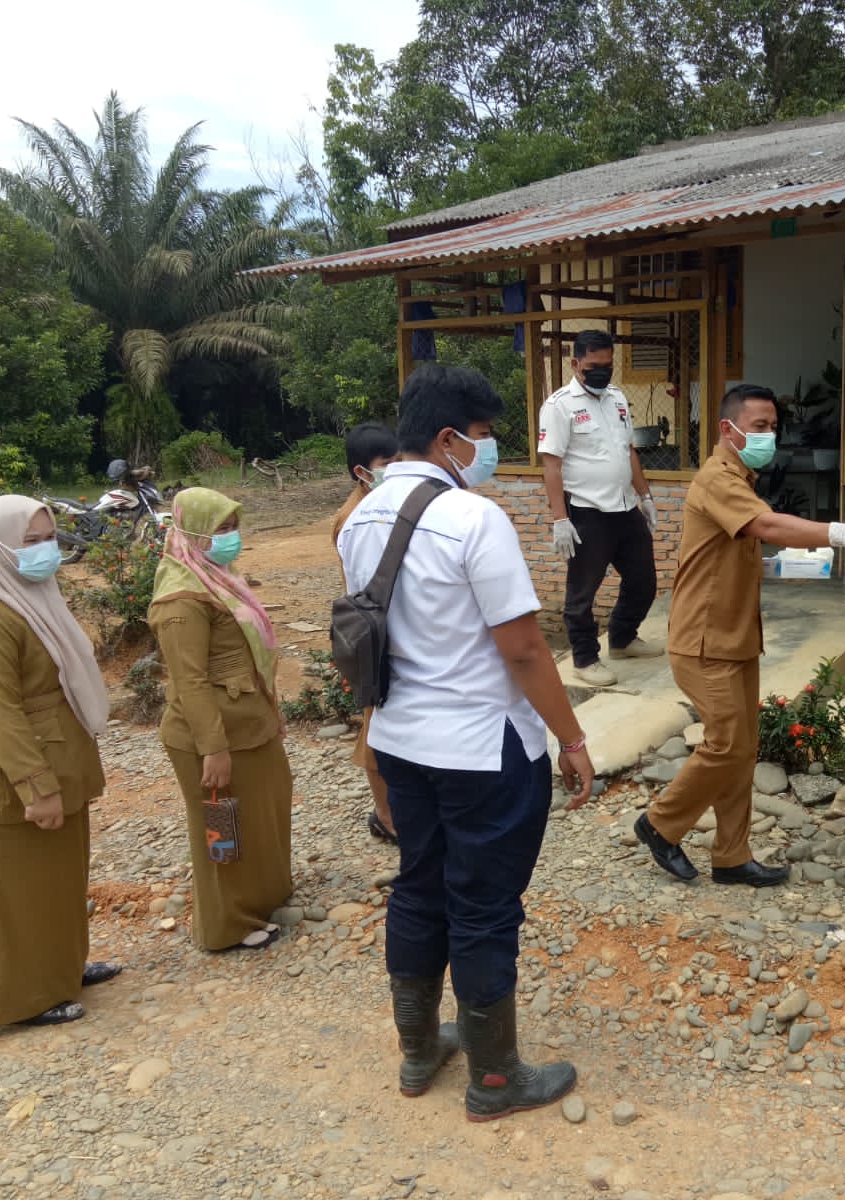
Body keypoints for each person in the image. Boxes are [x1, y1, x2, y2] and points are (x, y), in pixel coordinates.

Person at [339, 364, 595, 1120]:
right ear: (448, 437)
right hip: (482, 748)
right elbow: (524, 649)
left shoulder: (361, 516)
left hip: (400, 741)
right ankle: (495, 1079)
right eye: (483, 436)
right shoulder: (473, 519)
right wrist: (571, 737)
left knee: (419, 887)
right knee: (484, 906)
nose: (488, 451)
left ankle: (420, 1050)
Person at [634, 384, 845, 889]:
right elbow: (767, 526)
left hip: (735, 638)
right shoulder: (717, 478)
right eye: (759, 426)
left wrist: (792, 563)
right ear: (727, 429)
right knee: (727, 745)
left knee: (742, 748)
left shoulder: (741, 478)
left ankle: (732, 855)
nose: (769, 435)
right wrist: (839, 532)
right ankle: (660, 824)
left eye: (773, 426)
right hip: (704, 640)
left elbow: (742, 545)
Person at [0, 496, 121, 1028]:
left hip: (56, 756)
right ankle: (16, 999)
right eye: (29, 542)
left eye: (48, 539)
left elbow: (18, 682)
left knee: (54, 879)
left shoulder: (24, 597)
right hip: (12, 777)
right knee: (11, 891)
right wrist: (37, 788)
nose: (45, 552)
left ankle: (61, 969)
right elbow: (0, 713)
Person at [150, 487, 293, 952]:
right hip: (215, 735)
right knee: (222, 829)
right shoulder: (181, 599)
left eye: (233, 527)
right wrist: (212, 748)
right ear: (190, 533)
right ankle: (226, 924)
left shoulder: (218, 578)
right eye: (219, 529)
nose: (230, 537)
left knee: (260, 815)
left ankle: (261, 898)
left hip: (250, 722)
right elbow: (189, 680)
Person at [539, 329, 660, 688]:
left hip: (625, 508)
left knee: (643, 580)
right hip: (587, 512)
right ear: (575, 364)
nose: (602, 372)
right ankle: (585, 659)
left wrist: (645, 497)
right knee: (583, 592)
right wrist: (560, 519)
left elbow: (628, 451)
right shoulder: (559, 406)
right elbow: (551, 466)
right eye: (594, 366)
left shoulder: (617, 398)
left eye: (608, 365)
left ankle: (622, 638)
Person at [332, 421, 401, 844]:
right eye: (387, 463)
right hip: (370, 633)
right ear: (361, 471)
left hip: (387, 627)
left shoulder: (383, 502)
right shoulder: (352, 517)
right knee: (376, 728)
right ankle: (386, 816)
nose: (395, 469)